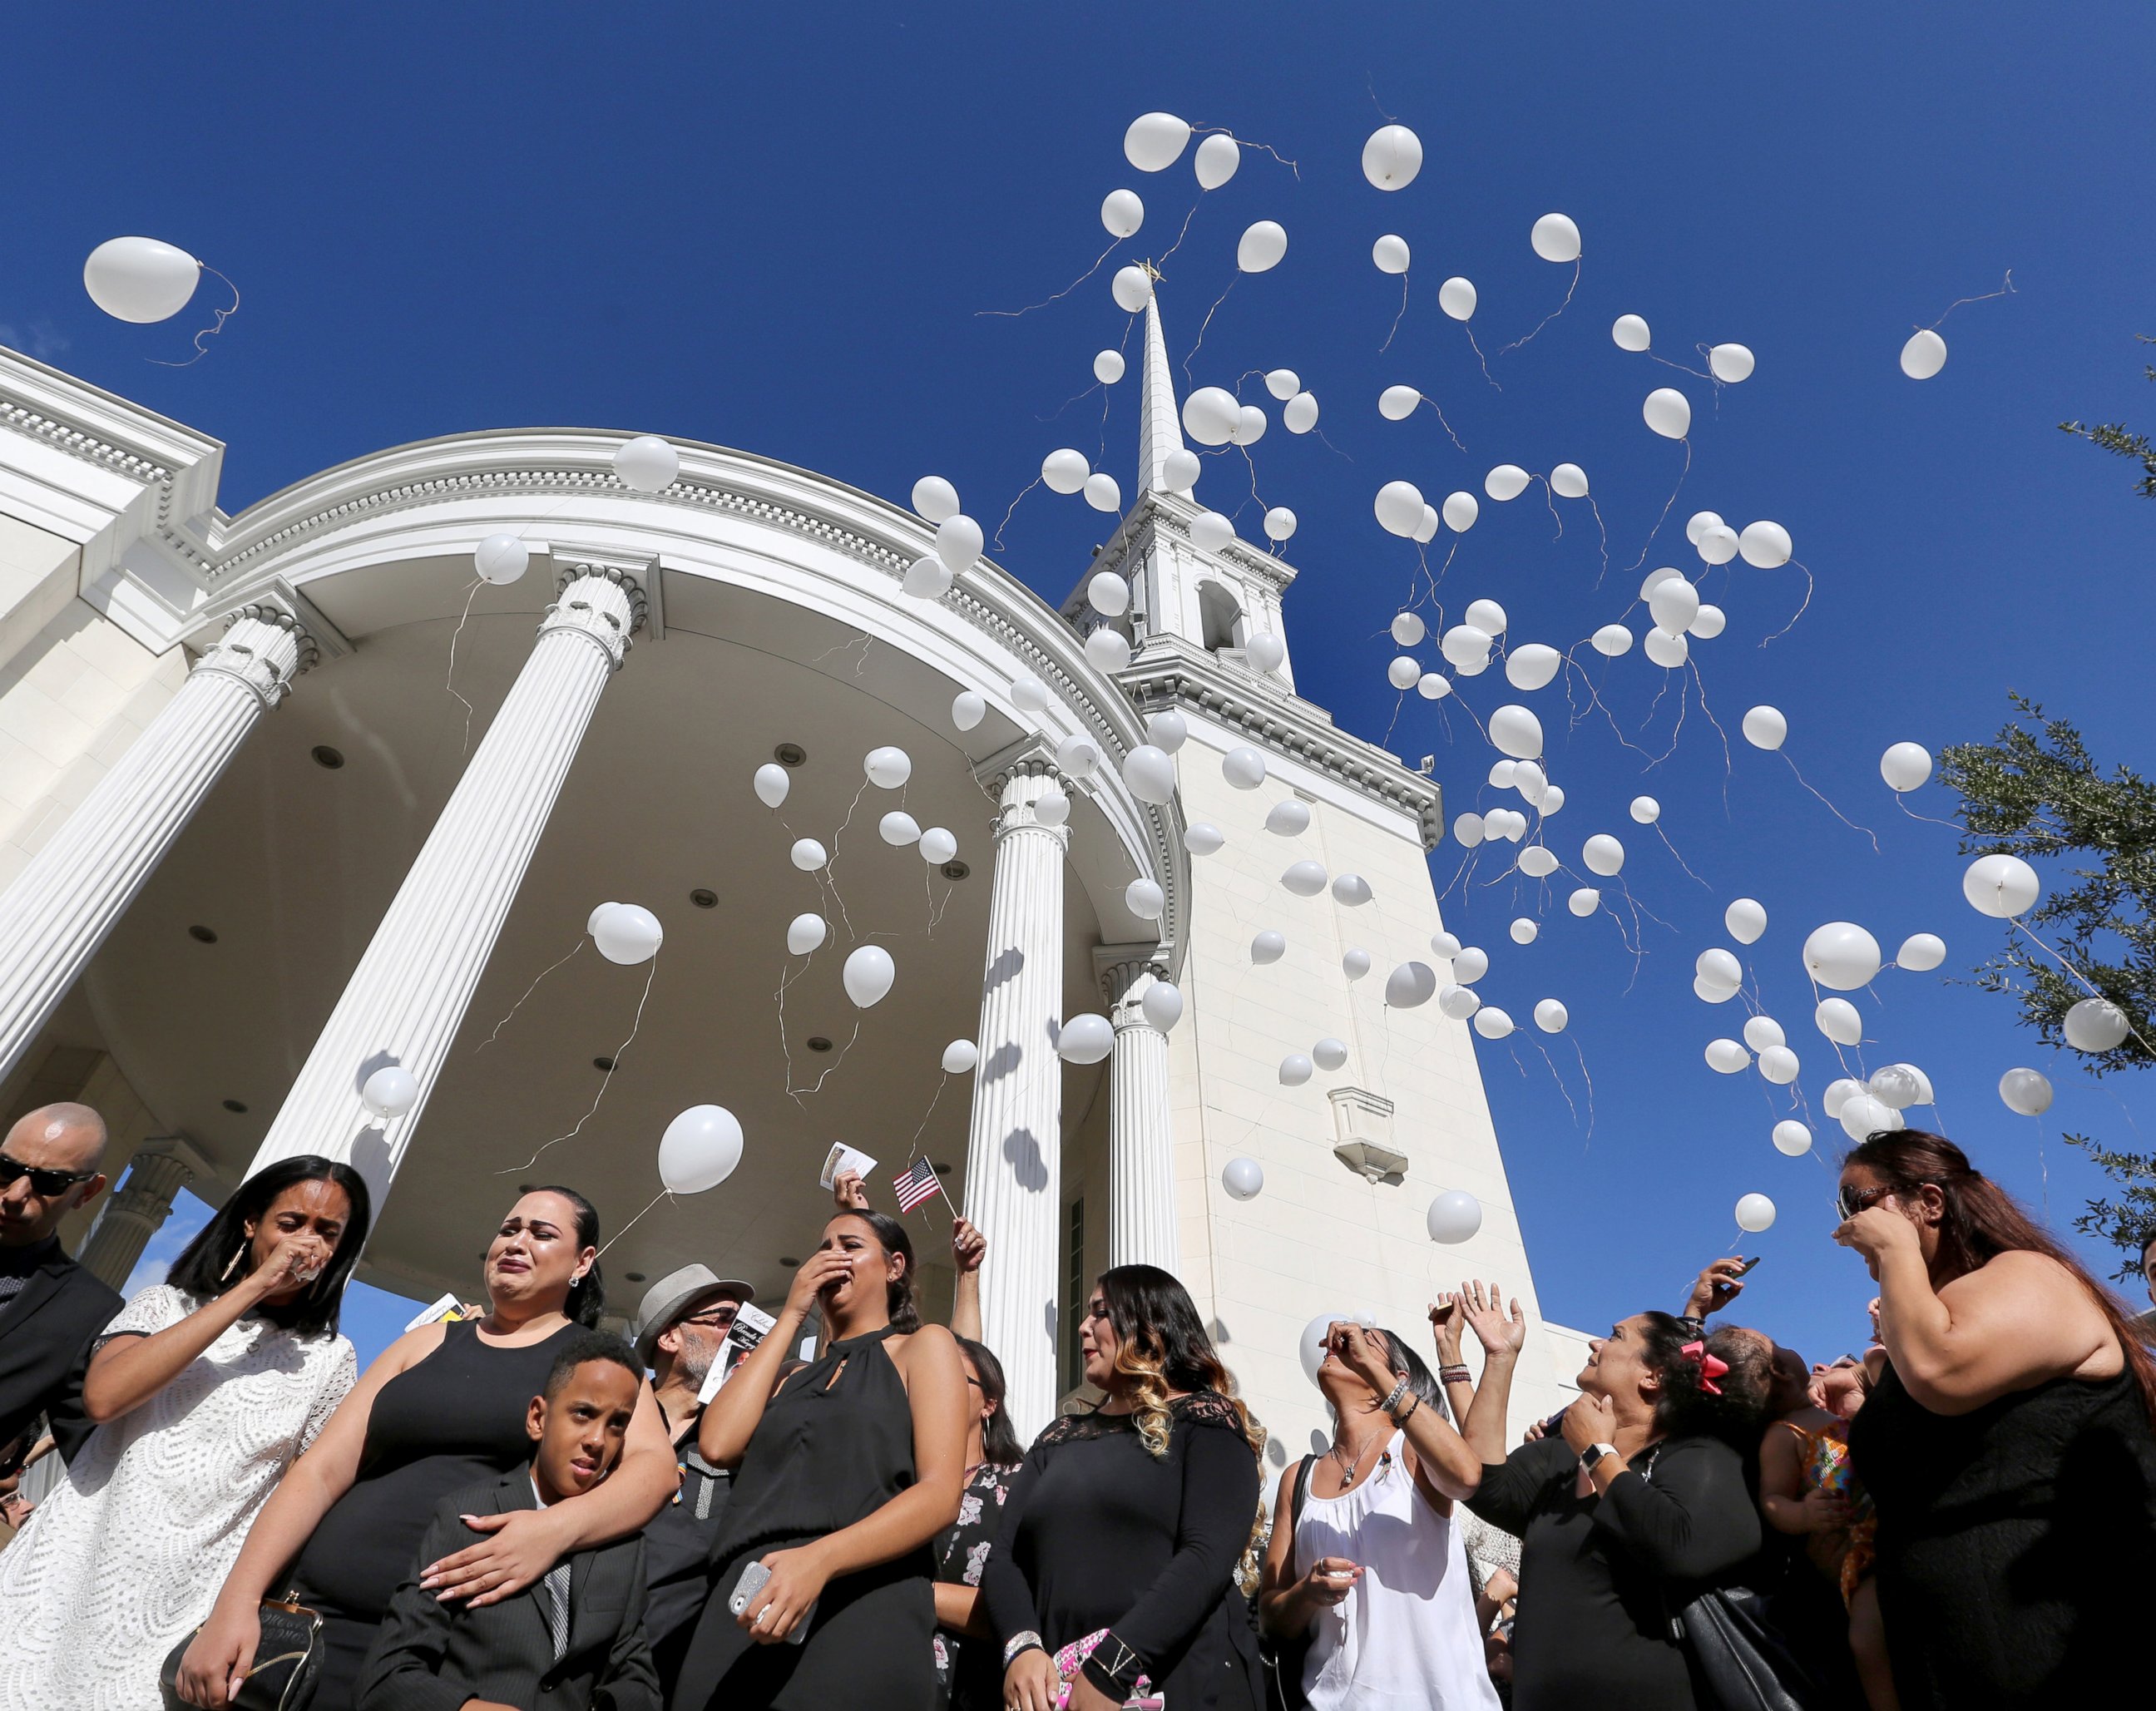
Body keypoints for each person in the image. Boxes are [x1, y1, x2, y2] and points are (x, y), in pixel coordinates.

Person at [178, 1187, 677, 1711]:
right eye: (509, 1229)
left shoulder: (595, 1367)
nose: (517, 1241)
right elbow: (320, 1471)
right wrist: (238, 1601)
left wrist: (553, 1532)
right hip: (315, 1630)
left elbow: (654, 1471)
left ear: (582, 1261)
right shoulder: (423, 1344)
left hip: (446, 1661)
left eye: (541, 1233)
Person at [0, 1155, 368, 1711]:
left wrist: (239, 1605)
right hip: (69, 1568)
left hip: (186, 1598)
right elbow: (104, 1397)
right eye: (291, 1223)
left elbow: (302, 1490)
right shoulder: (163, 1305)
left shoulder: (331, 1359)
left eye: (327, 1231)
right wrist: (254, 1287)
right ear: (252, 1223)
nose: (307, 1242)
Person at [1833, 1129, 2156, 1708]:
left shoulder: (2032, 1275)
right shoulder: (1926, 1324)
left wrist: (1898, 1251)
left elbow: (1941, 1371)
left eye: (1859, 1203)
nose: (1849, 1226)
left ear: (1929, 1202)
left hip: (2069, 1651)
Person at [672, 1202, 967, 1709]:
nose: (831, 1257)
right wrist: (791, 1314)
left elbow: (940, 1495)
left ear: (894, 1267)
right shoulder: (786, 1375)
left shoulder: (923, 1348)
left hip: (860, 1597)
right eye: (823, 1248)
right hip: (746, 1597)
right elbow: (718, 1444)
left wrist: (820, 1560)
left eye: (850, 1246)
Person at [1454, 1280, 1768, 1711]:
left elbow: (1680, 1548)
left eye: (1616, 1336)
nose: (1596, 1342)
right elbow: (1481, 1483)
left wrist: (1598, 1454)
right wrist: (1499, 1358)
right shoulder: (1559, 1457)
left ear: (1654, 1375)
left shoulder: (1697, 1454)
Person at [984, 1263, 1266, 1711]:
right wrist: (1022, 1647)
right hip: (1058, 1691)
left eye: (1100, 1312)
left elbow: (1206, 1555)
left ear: (1148, 1324)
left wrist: (1112, 1666)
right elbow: (1002, 1558)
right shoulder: (1059, 1436)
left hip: (1175, 1683)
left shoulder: (1204, 1419)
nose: (1083, 1326)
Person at [358, 1333, 661, 1711]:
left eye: (617, 1424)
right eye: (583, 1413)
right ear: (538, 1418)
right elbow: (389, 1677)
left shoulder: (623, 1543)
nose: (597, 1440)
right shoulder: (467, 1518)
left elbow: (637, 1680)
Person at [1258, 1319, 1499, 1709]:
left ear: (1396, 1376)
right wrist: (1308, 1593)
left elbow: (1467, 1476)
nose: (1343, 1343)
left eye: (1368, 1342)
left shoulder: (1413, 1448)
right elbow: (1271, 1618)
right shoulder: (1298, 1479)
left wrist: (1373, 1369)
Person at [630, 1264, 754, 1692]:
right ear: (670, 1337)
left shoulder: (746, 1439)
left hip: (680, 1670)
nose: (740, 1334)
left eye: (746, 1322)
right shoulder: (613, 1414)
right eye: (725, 1320)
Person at [0, 1104, 116, 1472]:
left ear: (87, 1192)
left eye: (50, 1182)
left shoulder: (90, 1311)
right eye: (7, 1170)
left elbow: (96, 1451)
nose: (16, 1195)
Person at [932, 1335, 1024, 1711]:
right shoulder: (899, 1479)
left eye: (952, 1374)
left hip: (975, 1687)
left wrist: (913, 1596)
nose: (936, 1381)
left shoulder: (1018, 1484)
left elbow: (1018, 1611)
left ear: (989, 1403)